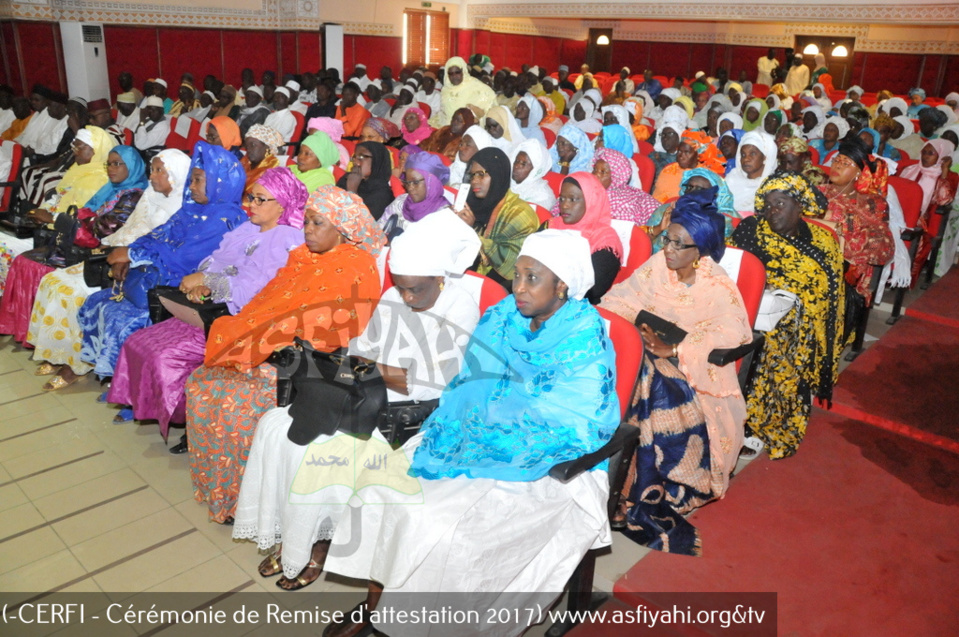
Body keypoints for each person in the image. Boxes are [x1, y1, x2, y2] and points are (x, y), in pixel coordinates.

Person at [321, 230, 620, 637]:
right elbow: (470, 384)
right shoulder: (501, 317)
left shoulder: (584, 335)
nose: (518, 288)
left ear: (563, 284)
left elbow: (578, 418)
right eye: (517, 275)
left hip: (545, 458)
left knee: (444, 531)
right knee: (379, 489)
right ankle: (379, 606)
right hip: (473, 433)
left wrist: (498, 429)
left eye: (533, 278)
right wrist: (477, 423)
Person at [232, 209, 481, 590]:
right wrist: (371, 368)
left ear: (439, 278)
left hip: (405, 416)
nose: (408, 296)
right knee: (277, 429)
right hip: (364, 395)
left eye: (417, 288)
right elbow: (360, 348)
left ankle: (318, 545)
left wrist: (373, 370)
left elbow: (434, 382)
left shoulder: (459, 306)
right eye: (401, 286)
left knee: (316, 453)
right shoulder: (395, 296)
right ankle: (292, 534)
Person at [186, 186, 385, 523]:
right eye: (306, 221)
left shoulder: (356, 265)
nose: (307, 229)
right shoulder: (302, 257)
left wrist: (267, 344)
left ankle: (244, 502)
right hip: (268, 346)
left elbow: (332, 326)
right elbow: (266, 304)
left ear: (342, 229)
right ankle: (219, 493)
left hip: (303, 365)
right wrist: (253, 336)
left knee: (233, 404)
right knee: (202, 385)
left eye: (318, 223)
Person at [600, 188, 751, 552]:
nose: (667, 249)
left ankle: (631, 491)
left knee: (647, 382)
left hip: (694, 376)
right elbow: (617, 298)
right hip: (645, 354)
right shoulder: (657, 268)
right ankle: (608, 479)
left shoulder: (717, 287)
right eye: (667, 239)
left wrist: (676, 348)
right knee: (630, 371)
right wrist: (638, 327)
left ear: (699, 252)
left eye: (678, 244)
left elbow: (733, 333)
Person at [107, 168, 307, 440]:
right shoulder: (248, 227)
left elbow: (258, 289)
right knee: (139, 341)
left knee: (164, 357)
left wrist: (210, 281)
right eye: (251, 197)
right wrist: (204, 282)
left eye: (261, 200)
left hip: (239, 320)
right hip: (212, 306)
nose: (251, 205)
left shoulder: (288, 239)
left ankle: (186, 421)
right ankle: (149, 406)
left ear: (283, 203)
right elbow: (216, 260)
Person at [77, 142, 247, 378]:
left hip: (179, 288)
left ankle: (130, 386)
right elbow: (158, 235)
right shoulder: (191, 209)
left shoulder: (227, 219)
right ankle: (113, 379)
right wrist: (130, 253)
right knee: (96, 302)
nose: (191, 186)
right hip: (154, 276)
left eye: (198, 180)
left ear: (220, 182)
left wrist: (133, 255)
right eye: (191, 180)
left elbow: (185, 256)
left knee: (123, 320)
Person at [27, 149, 191, 390]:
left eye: (159, 171)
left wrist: (128, 255)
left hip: (143, 267)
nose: (152, 176)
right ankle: (57, 352)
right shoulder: (150, 194)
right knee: (54, 281)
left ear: (176, 175)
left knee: (73, 293)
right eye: (152, 170)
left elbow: (164, 247)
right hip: (120, 252)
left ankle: (76, 364)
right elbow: (132, 227)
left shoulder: (183, 207)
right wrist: (113, 247)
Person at [729, 172, 845, 459]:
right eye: (768, 205)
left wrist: (797, 306)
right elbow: (732, 270)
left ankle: (763, 423)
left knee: (785, 337)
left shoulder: (822, 241)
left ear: (799, 205)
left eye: (780, 204)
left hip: (803, 323)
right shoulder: (751, 230)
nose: (772, 212)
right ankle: (743, 421)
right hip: (749, 311)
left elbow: (829, 293)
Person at [0, 143, 145, 352]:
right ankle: (28, 332)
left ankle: (55, 346)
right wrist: (71, 220)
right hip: (79, 241)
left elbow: (102, 229)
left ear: (131, 166)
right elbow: (83, 215)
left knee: (45, 273)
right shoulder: (111, 189)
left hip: (98, 252)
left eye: (117, 164)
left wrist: (59, 219)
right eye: (108, 164)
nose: (111, 169)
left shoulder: (134, 195)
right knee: (25, 260)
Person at [819, 140, 895, 309]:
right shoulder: (817, 193)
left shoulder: (873, 203)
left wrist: (838, 218)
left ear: (859, 173)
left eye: (845, 163)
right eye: (836, 161)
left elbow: (883, 248)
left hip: (846, 269)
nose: (837, 166)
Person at [455, 147, 539, 290]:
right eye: (472, 175)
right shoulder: (471, 204)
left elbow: (512, 262)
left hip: (499, 285)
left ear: (497, 174)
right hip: (463, 277)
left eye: (481, 174)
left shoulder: (519, 213)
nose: (475, 181)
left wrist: (471, 233)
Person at [548, 172, 622, 303]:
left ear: (591, 200)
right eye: (562, 199)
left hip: (575, 305)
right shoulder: (552, 224)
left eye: (573, 199)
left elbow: (594, 289)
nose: (564, 205)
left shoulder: (605, 239)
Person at [899, 139, 959, 280]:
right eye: (924, 152)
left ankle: (902, 278)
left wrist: (944, 171)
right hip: (900, 213)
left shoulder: (949, 177)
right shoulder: (911, 169)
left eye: (931, 153)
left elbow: (944, 200)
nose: (925, 157)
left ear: (942, 156)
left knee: (913, 233)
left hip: (923, 219)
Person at [378, 150, 452, 235]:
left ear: (432, 183)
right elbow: (377, 231)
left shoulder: (444, 215)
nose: (410, 188)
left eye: (415, 182)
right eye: (407, 182)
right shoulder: (400, 202)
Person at [591, 147, 659, 225]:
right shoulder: (591, 191)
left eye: (603, 172)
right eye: (595, 169)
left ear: (615, 177)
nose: (596, 175)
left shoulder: (622, 206)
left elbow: (626, 233)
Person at [336, 141, 395, 220]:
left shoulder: (382, 194)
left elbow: (363, 224)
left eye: (361, 157)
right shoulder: (347, 178)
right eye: (354, 157)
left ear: (376, 160)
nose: (356, 162)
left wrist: (352, 191)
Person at [431, 56, 496, 127]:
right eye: (451, 73)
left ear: (463, 71)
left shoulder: (476, 86)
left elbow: (491, 106)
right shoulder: (445, 90)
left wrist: (478, 113)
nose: (454, 76)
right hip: (447, 127)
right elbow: (444, 113)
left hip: (469, 130)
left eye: (457, 72)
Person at [725, 130, 778, 214]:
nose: (746, 159)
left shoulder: (772, 186)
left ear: (765, 157)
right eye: (743, 155)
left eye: (752, 154)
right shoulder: (732, 178)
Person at [510, 138, 556, 211]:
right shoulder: (507, 182)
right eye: (516, 161)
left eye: (523, 164)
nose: (516, 166)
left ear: (535, 170)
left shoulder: (542, 197)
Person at [240, 124, 282, 194]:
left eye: (253, 145)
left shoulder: (271, 170)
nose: (249, 149)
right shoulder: (245, 161)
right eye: (247, 146)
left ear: (268, 146)